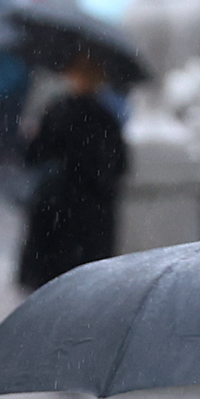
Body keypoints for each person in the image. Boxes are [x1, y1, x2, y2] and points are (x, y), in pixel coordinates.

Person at [15, 54, 129, 292]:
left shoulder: (58, 111)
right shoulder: (107, 119)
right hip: (94, 216)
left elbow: (33, 156)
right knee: (89, 290)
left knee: (51, 289)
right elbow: (120, 166)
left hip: (57, 211)